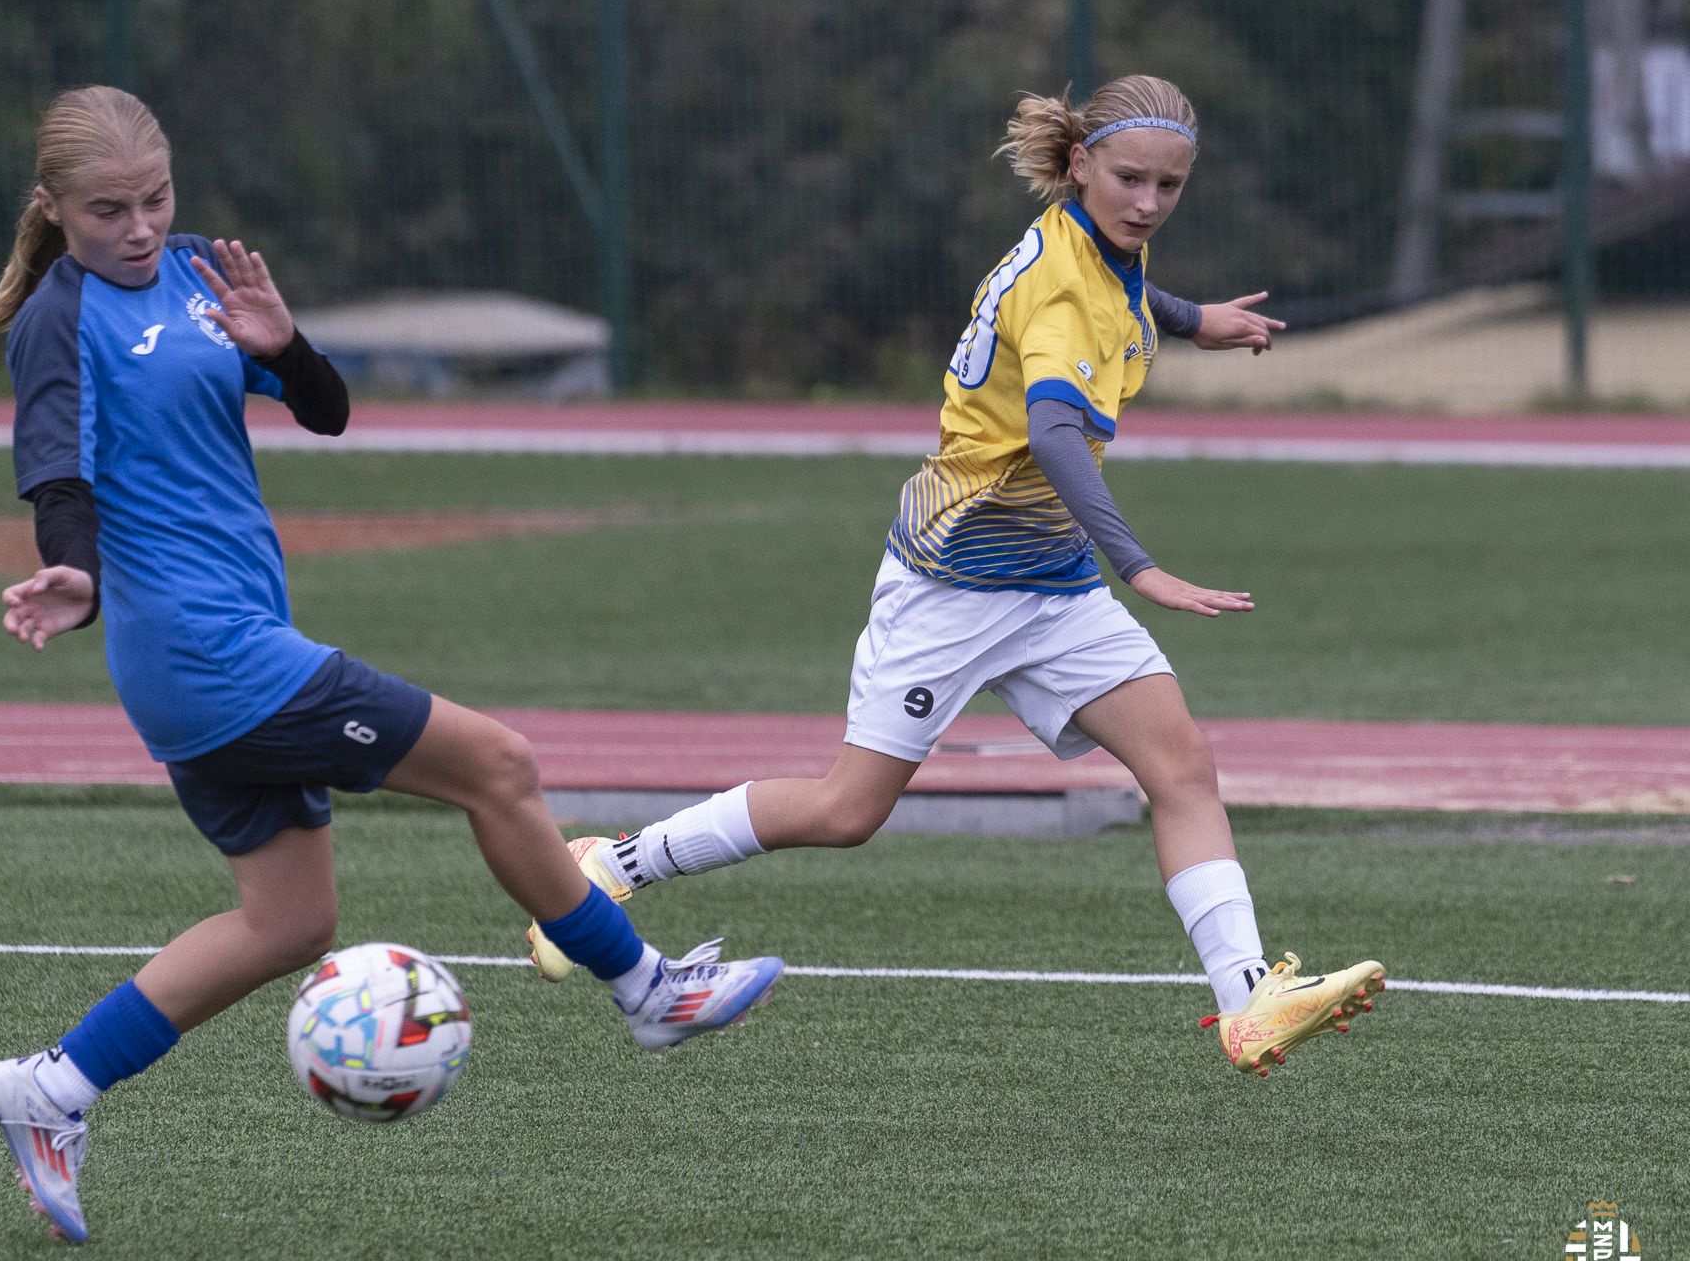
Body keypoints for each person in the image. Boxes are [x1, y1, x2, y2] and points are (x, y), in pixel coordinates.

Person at [0, 86, 782, 1245]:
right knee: (498, 766)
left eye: (155, 198)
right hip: (209, 656)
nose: (140, 227)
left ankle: (50, 1088)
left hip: (225, 652)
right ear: (53, 205)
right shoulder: (59, 320)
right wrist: (75, 574)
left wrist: (284, 348)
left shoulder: (200, 273)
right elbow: (59, 477)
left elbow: (327, 411)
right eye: (108, 211)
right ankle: (648, 990)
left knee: (289, 921)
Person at [530, 75, 1384, 1077]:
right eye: (1129, 179)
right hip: (956, 581)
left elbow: (1126, 292)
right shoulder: (1060, 284)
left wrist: (1195, 319)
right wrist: (1141, 566)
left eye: (1170, 185)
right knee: (847, 811)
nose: (1149, 203)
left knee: (1181, 767)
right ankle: (609, 865)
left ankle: (1247, 1002)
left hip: (1052, 583)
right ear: (1080, 164)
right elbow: (1054, 432)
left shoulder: (1100, 245)